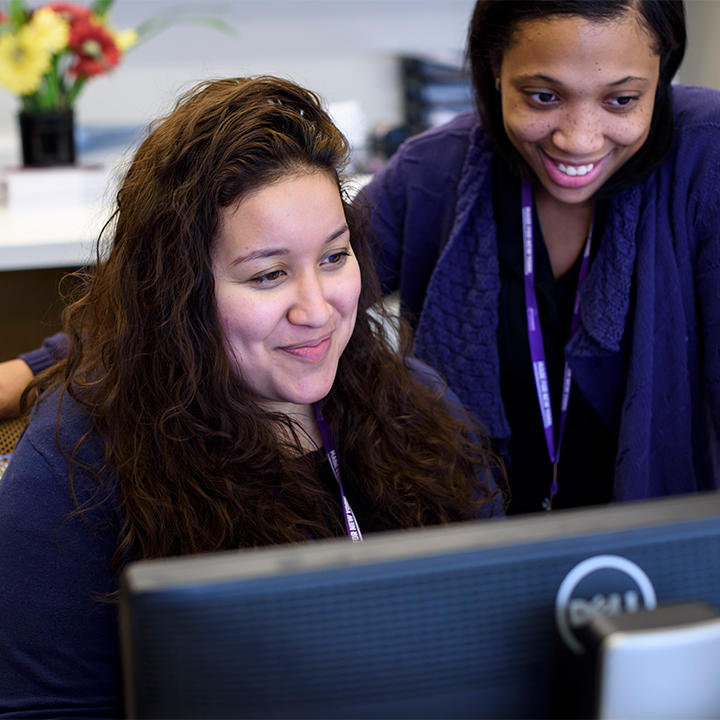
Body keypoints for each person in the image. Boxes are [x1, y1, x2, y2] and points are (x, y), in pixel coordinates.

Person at [0, 76, 501, 716]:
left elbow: (500, 635)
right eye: (268, 275)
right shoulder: (78, 461)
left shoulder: (417, 408)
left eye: (334, 257)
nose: (317, 310)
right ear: (178, 294)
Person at [357, 0, 720, 513]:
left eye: (621, 101)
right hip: (481, 549)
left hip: (664, 556)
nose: (578, 139)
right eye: (543, 96)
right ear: (494, 68)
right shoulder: (431, 172)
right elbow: (307, 304)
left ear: (663, 72)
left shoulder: (707, 154)